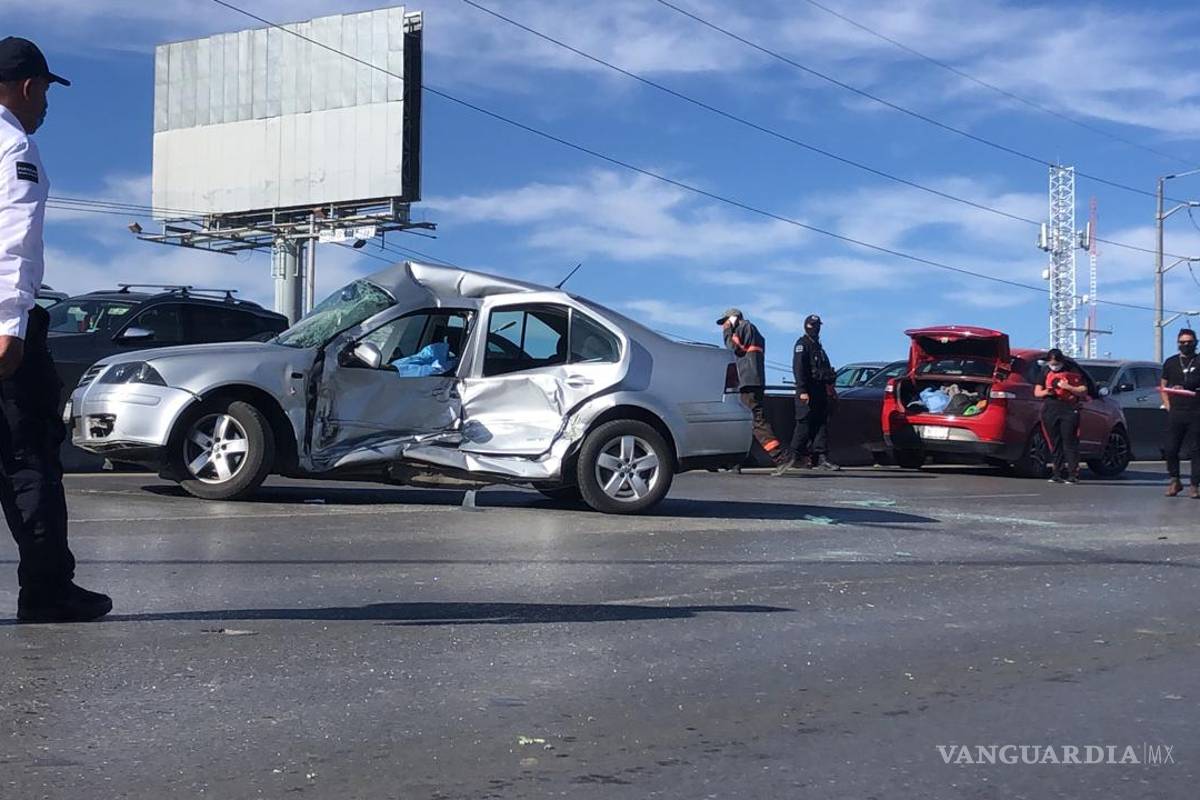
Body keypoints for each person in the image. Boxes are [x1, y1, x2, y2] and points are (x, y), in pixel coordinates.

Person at [0, 38, 110, 621]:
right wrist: (10, 324)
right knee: (27, 459)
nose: (45, 103)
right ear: (26, 86)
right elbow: (13, 239)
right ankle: (47, 590)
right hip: (3, 331)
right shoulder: (14, 145)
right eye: (44, 90)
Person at [717, 308, 791, 469]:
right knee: (747, 420)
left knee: (755, 420)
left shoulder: (743, 328)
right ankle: (743, 458)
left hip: (747, 380)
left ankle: (780, 457)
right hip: (753, 380)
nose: (724, 325)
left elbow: (733, 348)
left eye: (726, 321)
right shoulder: (752, 331)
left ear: (734, 318)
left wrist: (728, 330)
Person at [779, 314, 839, 474]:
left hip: (820, 390)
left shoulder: (818, 346)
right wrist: (803, 390)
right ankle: (793, 456)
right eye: (813, 325)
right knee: (803, 424)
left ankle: (820, 457)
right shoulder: (802, 344)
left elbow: (824, 368)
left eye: (818, 325)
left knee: (820, 424)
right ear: (807, 326)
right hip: (807, 391)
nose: (816, 328)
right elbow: (799, 369)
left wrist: (829, 381)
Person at [1033, 348, 1088, 484]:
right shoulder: (1045, 371)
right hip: (1051, 408)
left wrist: (1067, 387)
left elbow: (1083, 390)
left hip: (1069, 409)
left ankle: (1072, 474)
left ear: (1062, 361)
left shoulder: (1072, 370)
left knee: (1069, 440)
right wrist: (1047, 392)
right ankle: (1057, 473)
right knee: (1054, 441)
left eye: (1056, 363)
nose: (1054, 366)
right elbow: (1037, 392)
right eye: (1051, 363)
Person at [1160, 328, 1200, 498]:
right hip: (1176, 411)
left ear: (1195, 343)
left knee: (1196, 450)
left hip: (1196, 411)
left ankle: (1194, 484)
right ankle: (1175, 480)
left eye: (1189, 342)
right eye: (1182, 342)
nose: (1186, 345)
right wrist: (1167, 403)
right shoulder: (1170, 362)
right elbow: (1163, 384)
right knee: (1170, 448)